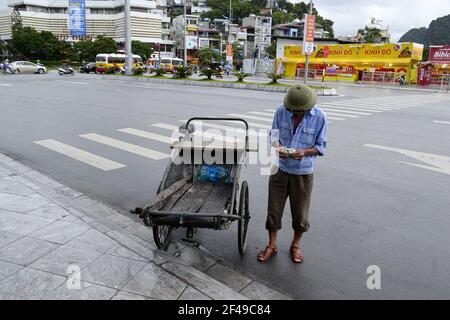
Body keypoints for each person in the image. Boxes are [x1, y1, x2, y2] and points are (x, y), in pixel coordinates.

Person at [257, 84, 327, 264]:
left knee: (300, 214)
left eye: (299, 112)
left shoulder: (319, 117)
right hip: (279, 168)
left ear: (308, 108)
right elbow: (273, 136)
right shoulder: (281, 111)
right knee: (274, 210)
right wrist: (277, 147)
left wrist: (304, 152)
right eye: (292, 111)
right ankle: (272, 245)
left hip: (303, 172)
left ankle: (295, 245)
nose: (295, 114)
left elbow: (320, 147)